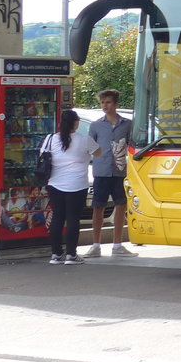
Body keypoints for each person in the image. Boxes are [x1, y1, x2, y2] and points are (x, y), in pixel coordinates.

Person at [44, 109, 100, 265]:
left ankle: (55, 254)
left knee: (57, 218)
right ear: (76, 123)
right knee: (73, 219)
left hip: (54, 184)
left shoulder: (50, 139)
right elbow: (99, 152)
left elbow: (43, 155)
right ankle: (71, 255)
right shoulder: (84, 139)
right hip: (77, 185)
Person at [85, 89, 136, 258]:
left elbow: (132, 146)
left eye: (108, 102)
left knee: (121, 205)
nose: (104, 106)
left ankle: (117, 244)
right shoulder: (96, 125)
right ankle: (96, 244)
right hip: (101, 170)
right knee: (98, 206)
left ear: (116, 104)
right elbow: (90, 146)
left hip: (119, 171)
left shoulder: (127, 124)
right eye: (102, 103)